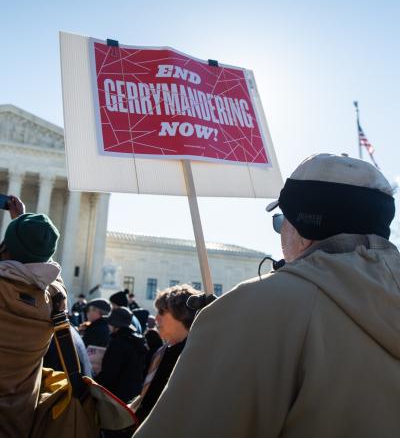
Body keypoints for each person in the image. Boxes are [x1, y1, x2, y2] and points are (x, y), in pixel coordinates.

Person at [134, 154, 400, 438]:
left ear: (305, 228)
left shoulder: (252, 308)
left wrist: (229, 324)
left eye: (281, 220)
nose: (280, 230)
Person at [0, 197, 66, 438]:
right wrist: (25, 232)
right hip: (17, 422)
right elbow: (49, 275)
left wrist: (18, 226)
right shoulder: (54, 300)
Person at [132, 283, 200, 425]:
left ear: (181, 313)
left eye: (162, 312)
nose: (156, 318)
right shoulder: (163, 352)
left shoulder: (195, 357)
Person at [96, 307, 147, 402]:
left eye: (110, 323)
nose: (108, 325)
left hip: (117, 398)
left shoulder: (118, 343)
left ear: (116, 325)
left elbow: (109, 375)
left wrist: (93, 382)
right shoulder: (137, 341)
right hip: (132, 396)